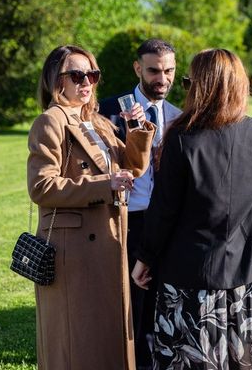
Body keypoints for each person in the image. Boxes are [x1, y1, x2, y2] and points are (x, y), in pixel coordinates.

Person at [131, 48, 252, 369]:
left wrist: (145, 257)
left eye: (188, 81)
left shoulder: (182, 138)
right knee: (243, 361)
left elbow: (164, 209)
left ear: (202, 86)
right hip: (244, 272)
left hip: (189, 278)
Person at [27, 44, 155, 370]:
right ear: (57, 80)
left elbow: (133, 167)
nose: (87, 82)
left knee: (108, 336)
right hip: (76, 253)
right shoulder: (50, 122)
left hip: (109, 242)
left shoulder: (95, 121)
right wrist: (104, 186)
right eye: (77, 75)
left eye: (92, 75)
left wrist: (137, 130)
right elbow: (41, 187)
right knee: (78, 340)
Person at [98, 39, 182, 370]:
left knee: (161, 303)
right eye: (154, 71)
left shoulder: (179, 117)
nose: (162, 79)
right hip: (125, 221)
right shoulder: (107, 111)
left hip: (166, 223)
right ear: (137, 69)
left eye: (169, 71)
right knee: (128, 302)